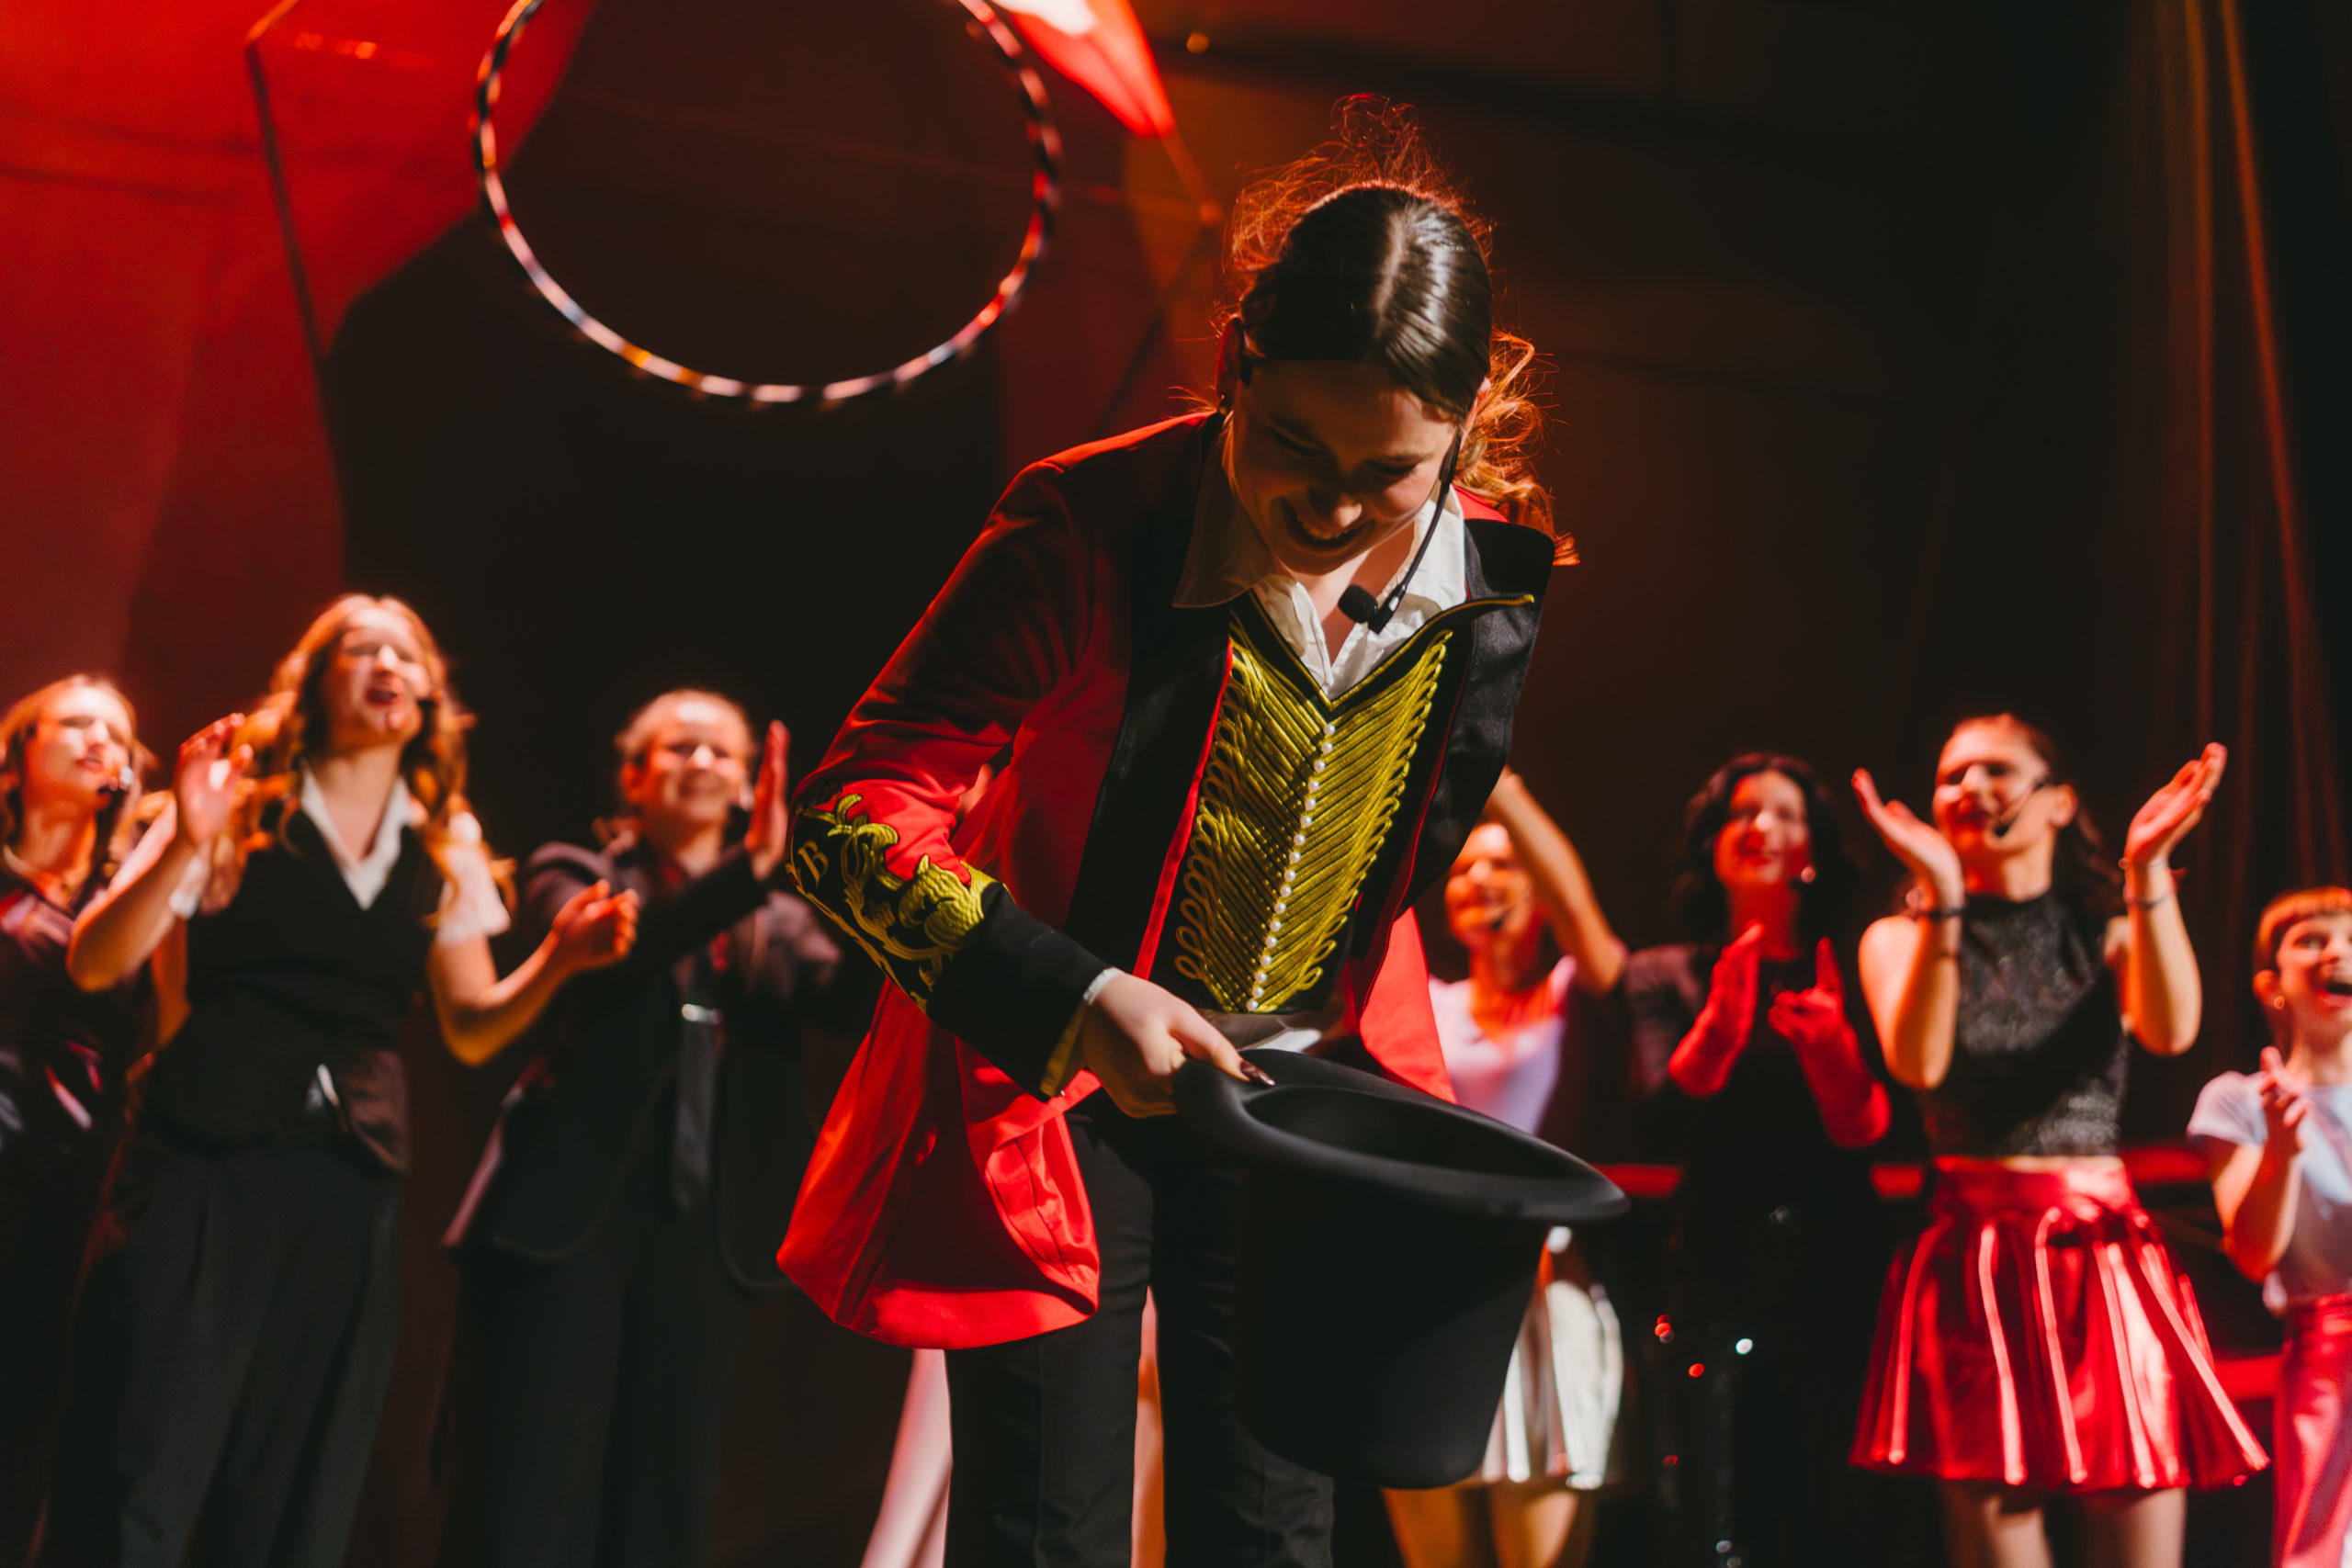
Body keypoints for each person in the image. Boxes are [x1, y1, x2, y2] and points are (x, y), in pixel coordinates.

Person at [779, 99, 1564, 1568]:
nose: (1332, 504)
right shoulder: (1086, 524)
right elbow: (848, 809)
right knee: (1044, 1530)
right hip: (1058, 1097)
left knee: (1273, 1535)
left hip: (1299, 1099)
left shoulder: (1486, 575)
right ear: (1237, 361)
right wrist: (1078, 995)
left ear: (1463, 426)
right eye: (1294, 444)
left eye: (1389, 472)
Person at [43, 594, 636, 1568]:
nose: (387, 666)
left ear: (429, 697)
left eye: (407, 656)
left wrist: (559, 963)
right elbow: (96, 960)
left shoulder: (441, 838)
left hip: (347, 1182)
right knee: (142, 1443)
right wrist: (187, 836)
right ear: (316, 680)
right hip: (203, 1160)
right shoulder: (235, 799)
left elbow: (471, 1027)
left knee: (295, 1471)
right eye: (363, 650)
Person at [434, 687, 863, 1568]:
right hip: (566, 1221)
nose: (701, 763)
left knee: (665, 1498)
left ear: (747, 784)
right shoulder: (575, 874)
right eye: (679, 748)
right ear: (634, 776)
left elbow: (850, 1001)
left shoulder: (780, 920)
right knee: (526, 1487)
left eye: (720, 753)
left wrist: (918, 887)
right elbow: (621, 956)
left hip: (708, 1235)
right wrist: (748, 869)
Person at [1849, 714, 2266, 1568]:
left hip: (2100, 1249)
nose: (1969, 787)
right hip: (1974, 1253)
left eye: (1995, 770)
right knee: (1998, 1532)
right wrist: (1944, 898)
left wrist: (2147, 871)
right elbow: (1919, 1062)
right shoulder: (1900, 935)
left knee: (2139, 1514)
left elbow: (2173, 1028)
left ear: (2058, 801)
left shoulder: (2110, 925)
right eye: (1952, 775)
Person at [1622, 754, 1901, 1568]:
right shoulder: (1662, 971)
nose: (1760, 827)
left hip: (1838, 1268)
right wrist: (1718, 1028)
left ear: (1814, 846)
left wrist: (1834, 1055)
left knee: (1833, 1514)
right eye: (1742, 812)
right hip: (1712, 1268)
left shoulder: (1861, 961)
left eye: (1785, 812)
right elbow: (1658, 1128)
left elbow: (1878, 1137)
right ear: (1713, 843)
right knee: (1710, 1516)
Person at [1384, 769, 1627, 1568]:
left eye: (1503, 863)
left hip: (1540, 1291)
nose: (1479, 878)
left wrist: (1506, 790)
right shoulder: (1429, 999)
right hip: (1432, 1288)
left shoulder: (1568, 995)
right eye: (1463, 867)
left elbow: (1586, 924)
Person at [0, 678, 152, 1562]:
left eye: (119, 734)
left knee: (24, 1406)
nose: (101, 741)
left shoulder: (129, 900)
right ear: (18, 755)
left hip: (65, 1181)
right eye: (78, 723)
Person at [2190, 887, 2352, 1568]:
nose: (2338, 952)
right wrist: (2281, 1155)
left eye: (2351, 939)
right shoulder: (2240, 1100)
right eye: (2313, 939)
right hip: (2329, 1361)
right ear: (2272, 985)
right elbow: (2254, 1254)